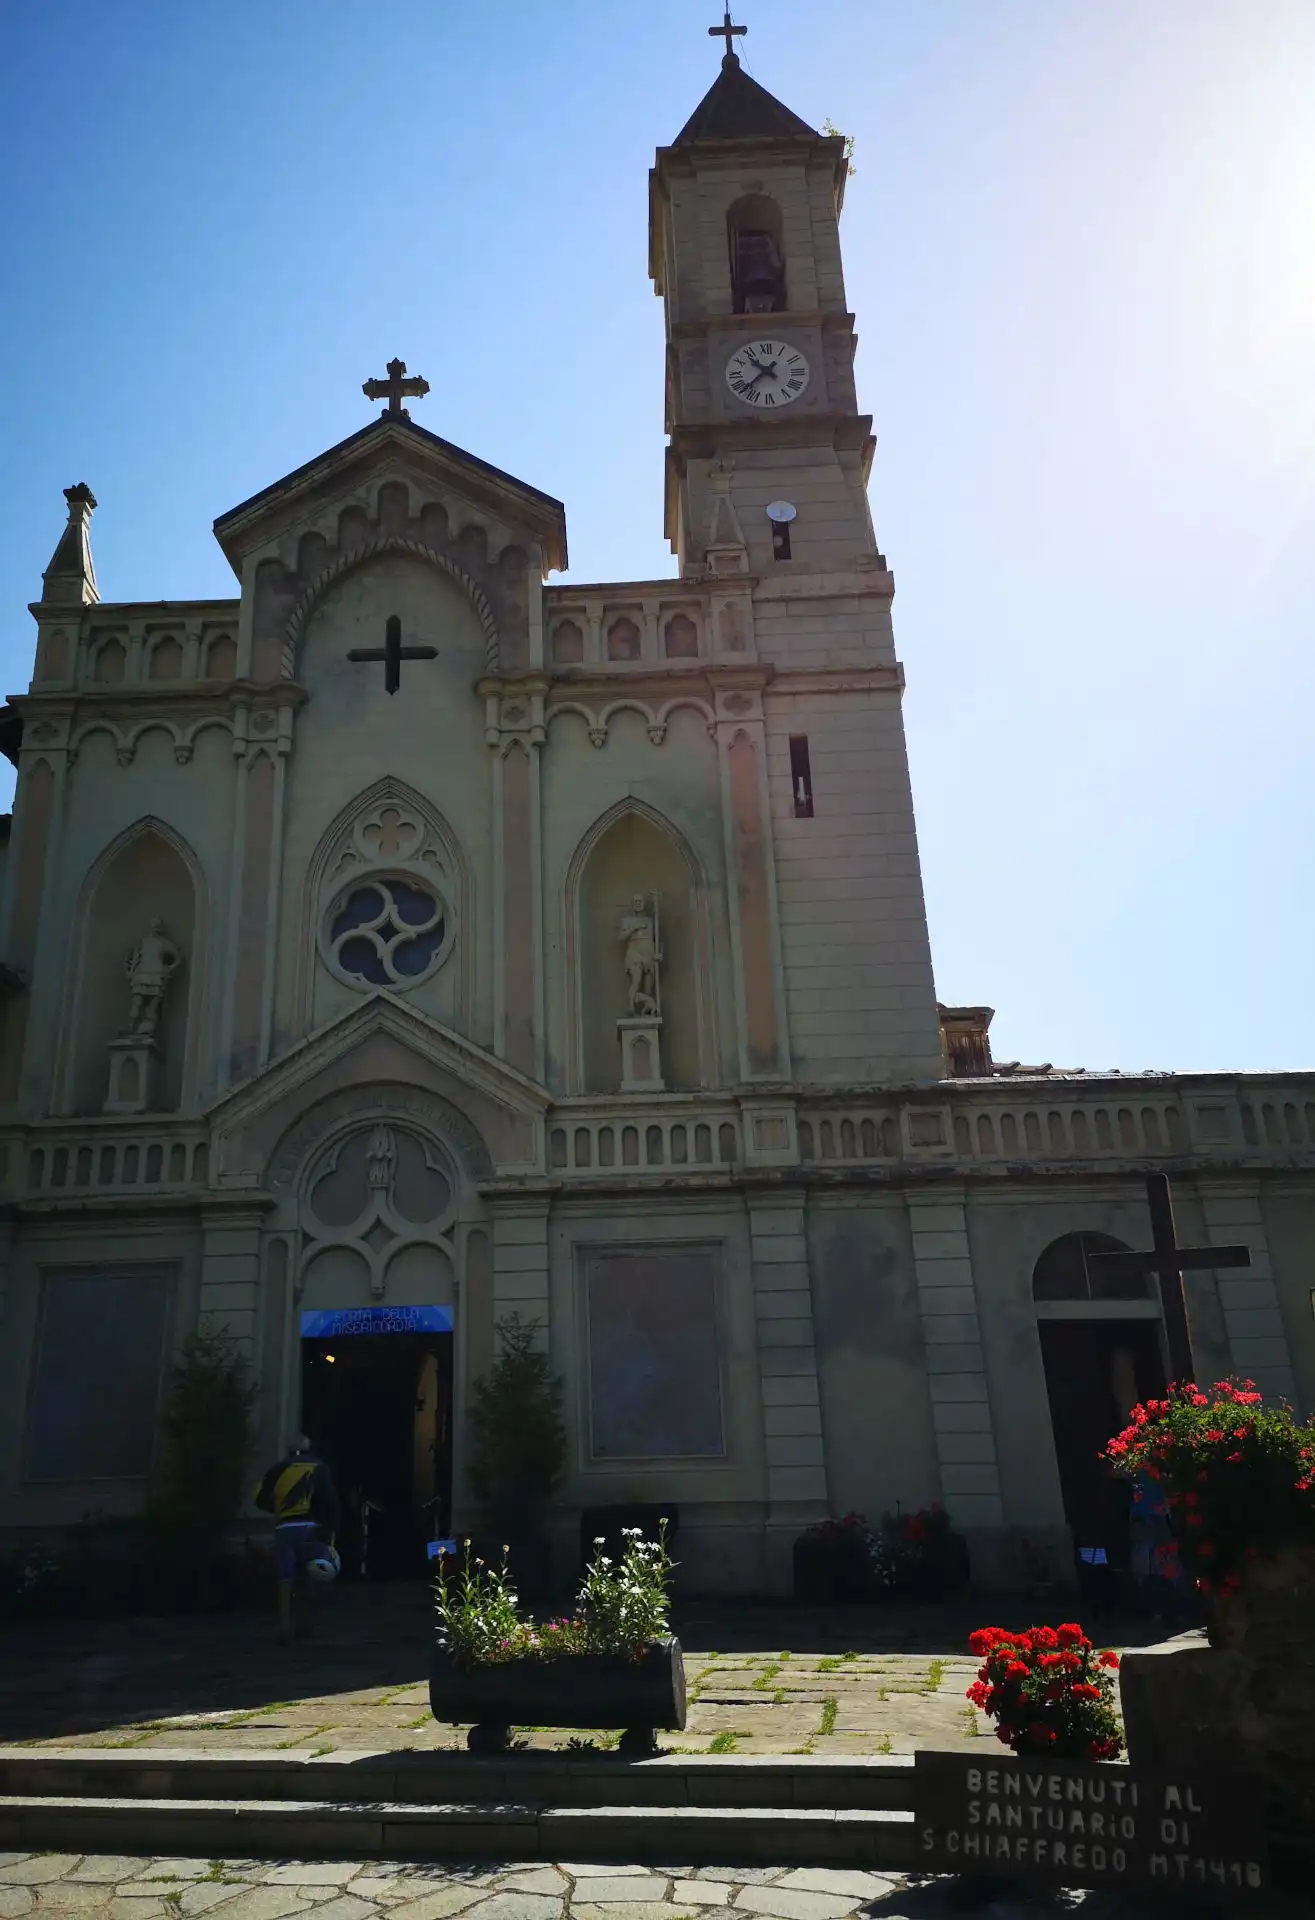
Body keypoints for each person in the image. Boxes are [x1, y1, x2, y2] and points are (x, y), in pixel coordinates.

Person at [254, 1434, 340, 1643]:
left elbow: (259, 1498)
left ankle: (284, 1627)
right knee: (308, 1575)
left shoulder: (277, 1469)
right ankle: (305, 1625)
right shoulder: (319, 1467)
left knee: (285, 1577)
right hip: (310, 1527)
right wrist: (329, 1528)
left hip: (284, 1526)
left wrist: (277, 1509)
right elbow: (329, 1499)